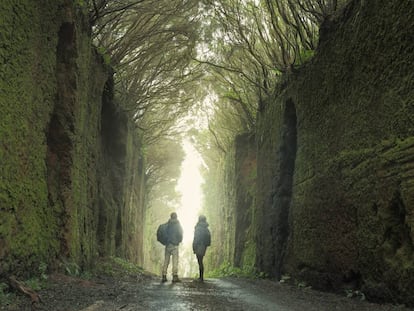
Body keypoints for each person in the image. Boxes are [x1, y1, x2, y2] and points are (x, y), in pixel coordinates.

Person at [162, 212, 183, 283]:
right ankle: (174, 276)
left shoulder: (167, 224)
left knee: (166, 260)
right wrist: (179, 241)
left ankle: (164, 275)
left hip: (168, 245)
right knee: (175, 261)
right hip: (175, 245)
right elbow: (180, 234)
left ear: (170, 217)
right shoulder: (178, 225)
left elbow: (164, 233)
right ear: (176, 217)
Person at [192, 215, 211, 282]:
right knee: (200, 260)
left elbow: (196, 238)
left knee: (200, 261)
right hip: (204, 246)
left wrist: (194, 247)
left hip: (199, 245)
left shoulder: (198, 228)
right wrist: (206, 245)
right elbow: (209, 237)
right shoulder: (206, 228)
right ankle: (201, 277)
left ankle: (201, 277)